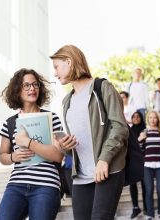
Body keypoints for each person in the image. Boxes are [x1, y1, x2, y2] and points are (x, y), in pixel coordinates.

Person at [50, 45, 128, 220]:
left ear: (69, 62)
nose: (55, 73)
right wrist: (65, 146)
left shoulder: (103, 87)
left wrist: (104, 159)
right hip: (81, 177)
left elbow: (119, 126)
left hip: (107, 169)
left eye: (56, 67)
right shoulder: (67, 101)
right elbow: (76, 147)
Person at [0, 68, 63, 220]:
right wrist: (13, 156)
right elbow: (2, 157)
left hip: (46, 185)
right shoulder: (10, 123)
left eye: (35, 84)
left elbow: (58, 156)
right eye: (26, 85)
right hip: (16, 185)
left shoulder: (52, 118)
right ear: (17, 90)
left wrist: (28, 142)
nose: (32, 88)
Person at [138, 111, 160, 220]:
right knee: (149, 189)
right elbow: (139, 150)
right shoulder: (144, 132)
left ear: (158, 119)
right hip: (147, 165)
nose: (152, 120)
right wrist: (140, 139)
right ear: (148, 119)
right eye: (150, 118)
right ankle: (150, 214)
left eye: (155, 118)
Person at [129, 111, 147, 218]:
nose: (136, 118)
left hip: (144, 160)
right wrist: (139, 139)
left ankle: (146, 206)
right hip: (133, 161)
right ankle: (135, 207)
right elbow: (129, 145)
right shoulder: (129, 130)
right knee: (133, 184)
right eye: (134, 116)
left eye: (138, 116)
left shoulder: (145, 129)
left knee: (145, 185)